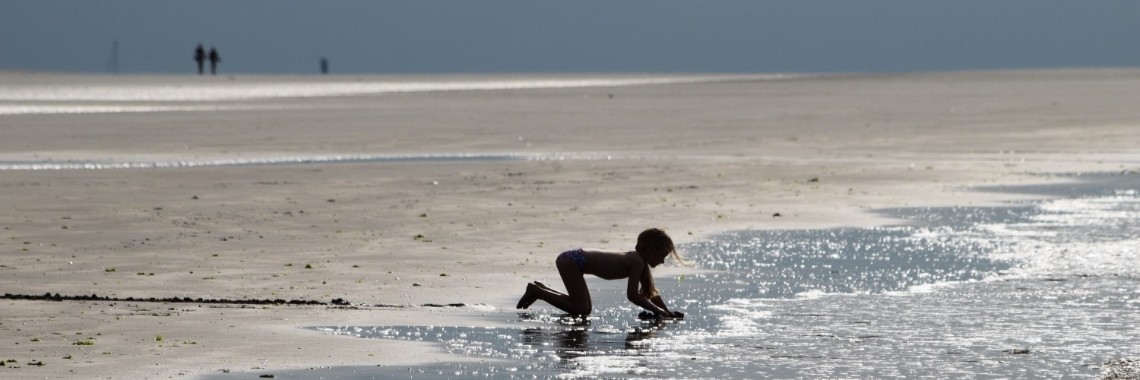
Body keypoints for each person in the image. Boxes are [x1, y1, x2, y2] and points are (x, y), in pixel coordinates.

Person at [517, 228, 686, 320]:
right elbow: (633, 295)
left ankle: (542, 289)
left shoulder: (638, 261)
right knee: (581, 309)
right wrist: (660, 312)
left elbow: (650, 293)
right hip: (572, 261)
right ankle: (537, 291)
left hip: (573, 260)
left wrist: (667, 312)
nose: (663, 261)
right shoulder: (637, 261)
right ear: (649, 249)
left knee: (585, 309)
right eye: (662, 256)